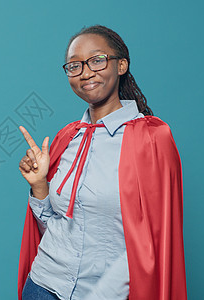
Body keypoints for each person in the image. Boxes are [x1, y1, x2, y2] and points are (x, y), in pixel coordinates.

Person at [17, 25, 187, 300]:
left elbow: (155, 241)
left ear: (121, 65)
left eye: (97, 60)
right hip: (44, 286)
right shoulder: (68, 137)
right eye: (74, 65)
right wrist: (39, 187)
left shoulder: (153, 138)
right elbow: (57, 225)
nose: (85, 72)